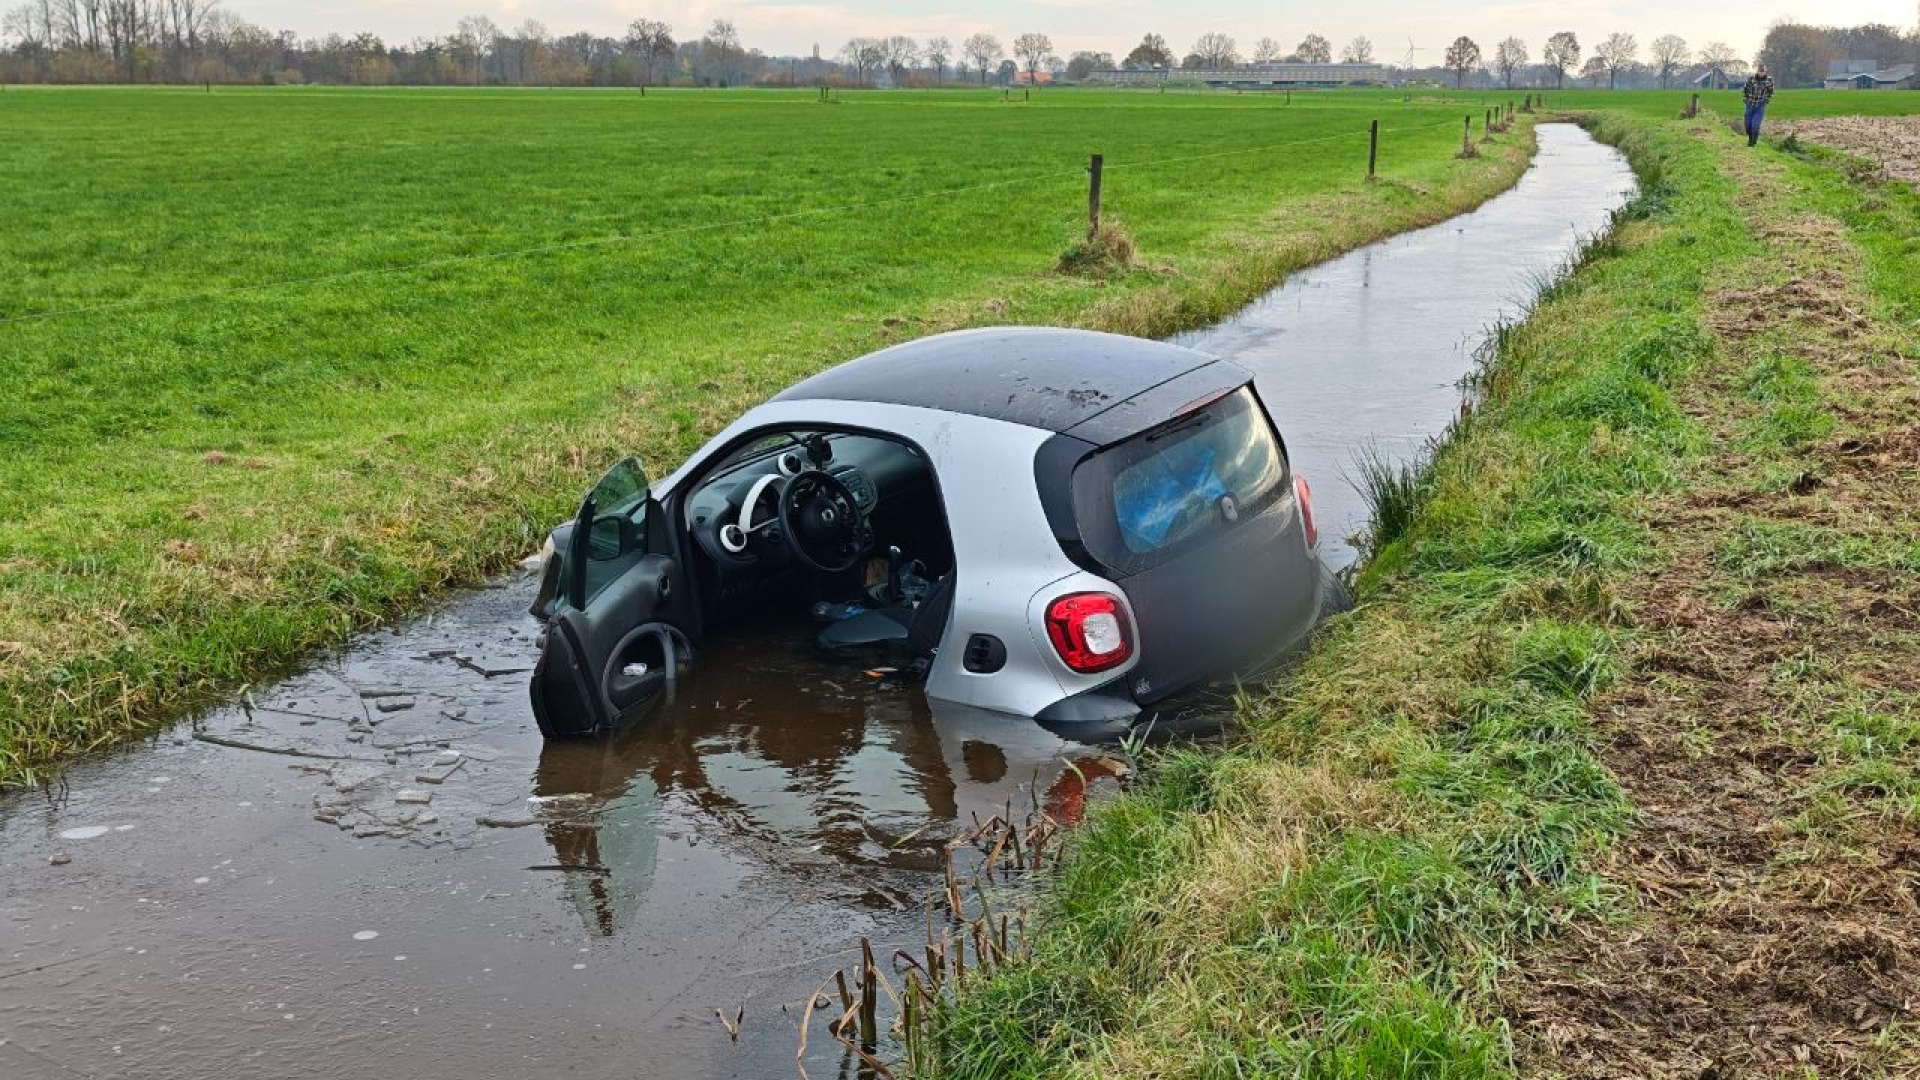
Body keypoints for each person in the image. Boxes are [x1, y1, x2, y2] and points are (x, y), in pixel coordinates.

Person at [1742, 65, 1776, 147]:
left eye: (1763, 71)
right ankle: (1750, 137)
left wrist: (1766, 100)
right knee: (1748, 125)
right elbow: (1745, 90)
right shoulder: (1751, 79)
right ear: (1757, 71)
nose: (1761, 73)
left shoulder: (1769, 80)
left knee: (1755, 125)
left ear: (1765, 72)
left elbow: (1771, 92)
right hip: (1749, 104)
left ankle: (1753, 141)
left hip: (1760, 106)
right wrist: (1745, 99)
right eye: (1760, 71)